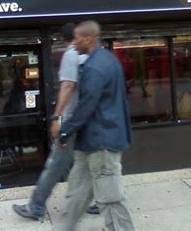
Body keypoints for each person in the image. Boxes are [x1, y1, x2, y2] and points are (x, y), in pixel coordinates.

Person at [56, 20, 135, 231]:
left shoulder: (95, 67)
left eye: (77, 39)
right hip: (91, 141)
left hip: (101, 142)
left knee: (110, 197)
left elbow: (86, 106)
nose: (73, 44)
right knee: (78, 193)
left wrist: (64, 131)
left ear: (88, 38)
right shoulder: (108, 60)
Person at [12, 23, 95, 220]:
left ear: (63, 38)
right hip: (88, 121)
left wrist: (57, 117)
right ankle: (97, 201)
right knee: (88, 164)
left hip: (71, 122)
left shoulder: (71, 54)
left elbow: (67, 86)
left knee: (56, 164)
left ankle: (36, 207)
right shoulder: (91, 55)